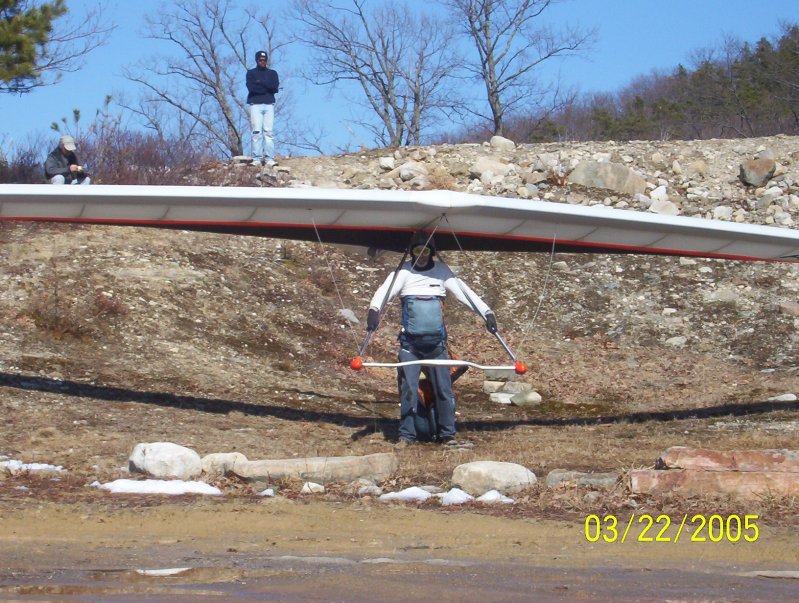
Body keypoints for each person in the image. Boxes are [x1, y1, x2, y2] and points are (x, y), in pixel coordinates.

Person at [366, 233, 498, 447]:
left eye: (425, 251)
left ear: (432, 253)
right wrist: (374, 310)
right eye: (417, 251)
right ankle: (406, 436)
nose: (421, 255)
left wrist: (487, 313)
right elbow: (384, 292)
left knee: (443, 389)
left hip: (436, 346)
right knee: (409, 389)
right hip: (410, 346)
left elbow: (465, 293)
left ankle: (448, 435)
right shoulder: (404, 272)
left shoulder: (441, 271)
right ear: (412, 252)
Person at [246, 50, 279, 166]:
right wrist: (266, 87)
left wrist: (260, 83)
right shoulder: (251, 73)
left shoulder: (272, 73)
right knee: (256, 132)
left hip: (269, 104)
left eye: (264, 60)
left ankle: (270, 158)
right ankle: (257, 159)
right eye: (260, 60)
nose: (262, 62)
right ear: (257, 60)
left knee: (269, 132)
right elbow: (251, 88)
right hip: (255, 104)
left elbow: (275, 88)